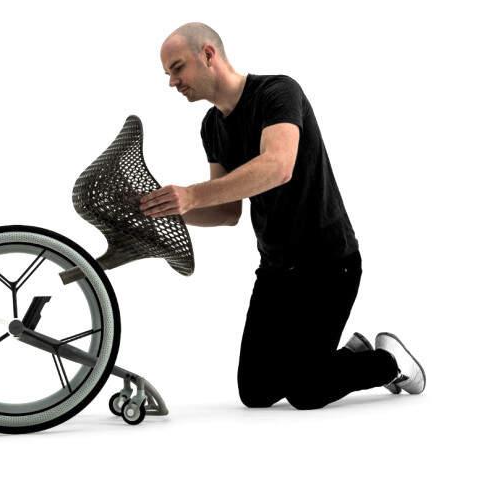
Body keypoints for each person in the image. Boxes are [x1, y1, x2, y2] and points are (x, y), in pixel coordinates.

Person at [139, 22, 426, 409]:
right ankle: (346, 356)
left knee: (305, 392)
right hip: (276, 270)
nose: (173, 82)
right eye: (168, 74)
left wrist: (191, 195)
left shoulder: (278, 92)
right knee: (256, 392)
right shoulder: (212, 126)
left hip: (330, 265)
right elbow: (226, 211)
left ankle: (389, 362)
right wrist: (166, 210)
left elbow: (277, 166)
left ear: (208, 55)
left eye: (177, 68)